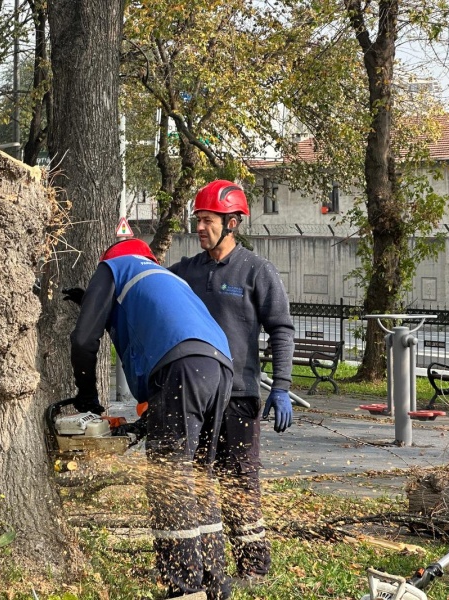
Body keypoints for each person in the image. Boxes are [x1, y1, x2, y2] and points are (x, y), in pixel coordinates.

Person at [66, 238, 235, 599]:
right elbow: (156, 319)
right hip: (219, 366)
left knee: (168, 478)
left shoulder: (114, 266)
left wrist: (86, 397)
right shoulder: (165, 278)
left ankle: (183, 587)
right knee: (197, 477)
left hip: (180, 366)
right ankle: (214, 583)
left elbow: (83, 340)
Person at [169, 179, 295, 583]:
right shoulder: (188, 271)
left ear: (233, 222)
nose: (200, 228)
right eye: (198, 220)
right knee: (202, 481)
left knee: (240, 480)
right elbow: (151, 287)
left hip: (239, 395)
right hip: (199, 396)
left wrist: (280, 385)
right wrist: (102, 293)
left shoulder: (257, 270)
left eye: (208, 220)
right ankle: (210, 563)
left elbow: (281, 329)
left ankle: (254, 565)